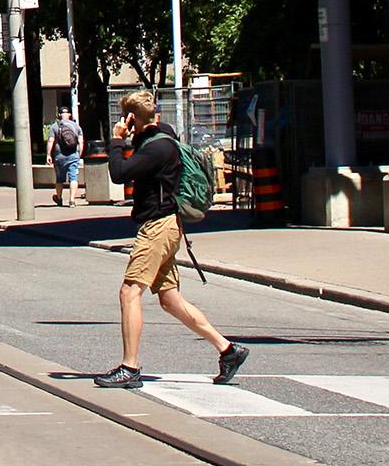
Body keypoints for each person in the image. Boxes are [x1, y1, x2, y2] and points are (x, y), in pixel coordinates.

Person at [95, 89, 248, 390]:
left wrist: (116, 139)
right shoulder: (164, 136)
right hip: (168, 226)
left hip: (157, 228)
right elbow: (149, 136)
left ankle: (130, 368)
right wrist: (136, 129)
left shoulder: (157, 150)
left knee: (129, 292)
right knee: (170, 299)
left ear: (131, 119)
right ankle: (229, 350)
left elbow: (119, 172)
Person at [48, 108, 86, 207]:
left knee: (59, 179)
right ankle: (72, 200)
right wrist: (79, 154)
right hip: (73, 155)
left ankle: (59, 199)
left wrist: (48, 154)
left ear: (59, 115)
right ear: (69, 114)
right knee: (73, 177)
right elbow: (81, 142)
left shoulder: (54, 126)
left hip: (59, 156)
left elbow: (51, 141)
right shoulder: (76, 126)